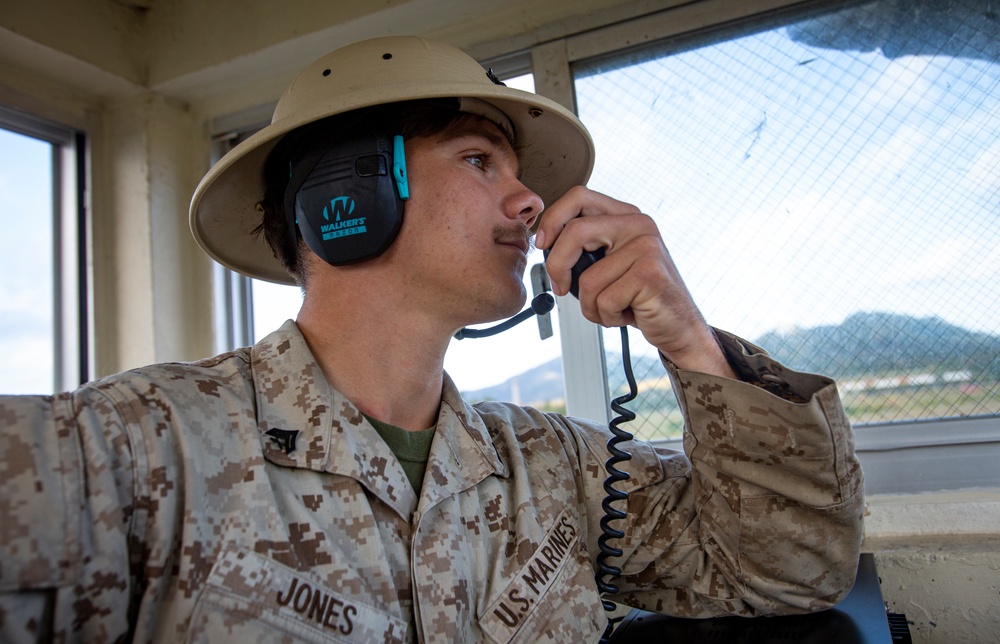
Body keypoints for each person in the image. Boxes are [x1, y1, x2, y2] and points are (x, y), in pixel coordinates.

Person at [0, 36, 864, 643]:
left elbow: (791, 571)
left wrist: (687, 340)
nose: (531, 205)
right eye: (480, 160)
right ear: (349, 195)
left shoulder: (553, 467)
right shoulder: (138, 450)